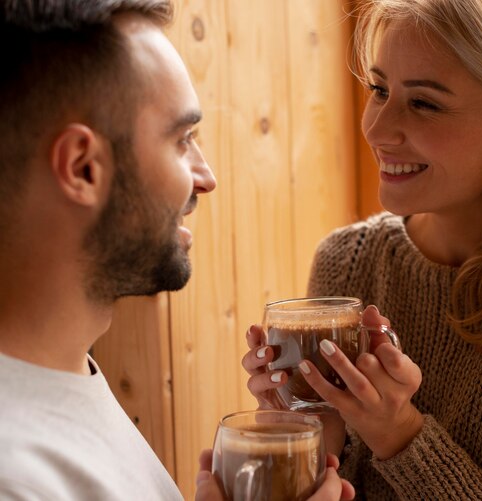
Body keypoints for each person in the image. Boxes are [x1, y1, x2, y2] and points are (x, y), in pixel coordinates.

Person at [243, 0, 482, 498]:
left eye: (423, 103)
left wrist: (399, 435)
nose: (377, 130)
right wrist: (300, 431)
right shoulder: (346, 262)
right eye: (379, 90)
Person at [0, 1, 353, 500]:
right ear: (83, 168)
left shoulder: (64, 378)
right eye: (182, 139)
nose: (207, 177)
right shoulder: (16, 474)